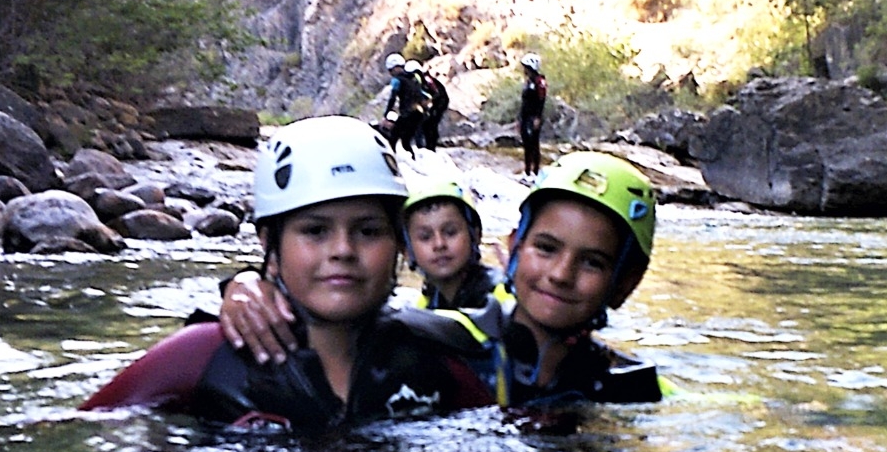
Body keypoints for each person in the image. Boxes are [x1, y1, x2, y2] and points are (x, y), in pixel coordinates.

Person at [82, 117, 492, 435]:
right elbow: (75, 431)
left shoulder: (435, 360)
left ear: (400, 246)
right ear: (269, 247)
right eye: (315, 231)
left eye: (368, 231)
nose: (343, 250)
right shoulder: (203, 356)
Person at [221, 151, 663, 407]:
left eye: (592, 263)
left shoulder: (629, 381)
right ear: (512, 248)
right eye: (545, 248)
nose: (560, 274)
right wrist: (247, 284)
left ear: (625, 282)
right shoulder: (447, 337)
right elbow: (335, 317)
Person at [402, 176, 504, 310]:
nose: (439, 244)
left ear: (476, 235)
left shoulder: (503, 300)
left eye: (450, 232)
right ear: (407, 251)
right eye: (425, 237)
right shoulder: (423, 306)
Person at [379, 53, 427, 154]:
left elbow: (393, 98)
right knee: (406, 141)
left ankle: (391, 162)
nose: (391, 73)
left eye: (391, 70)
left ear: (395, 68)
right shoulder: (413, 78)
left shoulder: (396, 80)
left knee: (393, 138)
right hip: (420, 113)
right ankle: (416, 159)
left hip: (408, 113)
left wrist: (386, 115)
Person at [517, 52, 546, 178]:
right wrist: (519, 119)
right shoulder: (528, 82)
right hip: (525, 117)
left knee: (534, 144)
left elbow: (541, 101)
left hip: (533, 117)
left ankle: (535, 172)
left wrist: (538, 118)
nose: (524, 70)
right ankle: (527, 171)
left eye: (526, 67)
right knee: (526, 145)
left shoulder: (539, 81)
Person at [414, 64, 449, 152]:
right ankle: (429, 145)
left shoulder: (426, 79)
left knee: (431, 123)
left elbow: (436, 94)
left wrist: (430, 104)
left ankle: (431, 146)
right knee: (427, 124)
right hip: (436, 102)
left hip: (440, 102)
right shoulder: (421, 79)